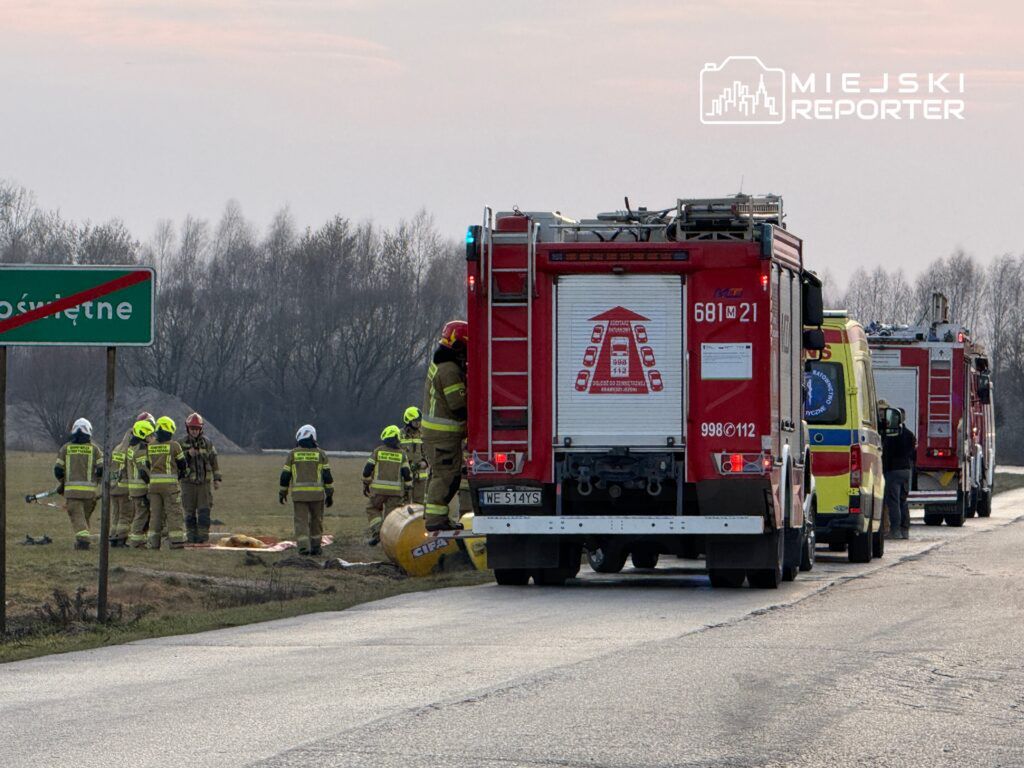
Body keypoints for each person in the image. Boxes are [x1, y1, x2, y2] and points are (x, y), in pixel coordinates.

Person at [421, 320, 469, 532]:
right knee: (446, 476)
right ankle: (436, 520)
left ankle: (434, 517)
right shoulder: (449, 370)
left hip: (437, 436)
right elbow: (458, 404)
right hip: (444, 437)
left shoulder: (440, 363)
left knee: (440, 474)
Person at [279, 424, 334, 556]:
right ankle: (316, 547)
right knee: (317, 521)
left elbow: (285, 475)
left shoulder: (293, 454)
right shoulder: (321, 454)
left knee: (301, 521)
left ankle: (304, 547)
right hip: (317, 496)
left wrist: (283, 492)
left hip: (299, 496)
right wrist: (330, 493)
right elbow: (327, 476)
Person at [53, 418, 103, 550]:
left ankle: (84, 541)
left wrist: (63, 483)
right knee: (84, 520)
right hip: (90, 494)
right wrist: (96, 482)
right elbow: (102, 469)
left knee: (78, 519)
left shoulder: (65, 449)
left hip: (72, 493)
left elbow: (58, 470)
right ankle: (84, 540)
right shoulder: (95, 449)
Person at [141, 416, 187, 549]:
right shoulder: (174, 445)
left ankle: (153, 543)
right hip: (170, 486)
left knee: (155, 515)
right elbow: (182, 464)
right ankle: (177, 542)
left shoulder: (150, 446)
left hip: (154, 486)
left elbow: (147, 465)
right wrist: (181, 474)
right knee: (173, 512)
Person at [362, 425, 413, 546]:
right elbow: (406, 474)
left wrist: (366, 483)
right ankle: (390, 541)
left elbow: (367, 470)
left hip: (378, 491)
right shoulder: (402, 454)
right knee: (391, 517)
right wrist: (407, 488)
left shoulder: (378, 451)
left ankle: (378, 531)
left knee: (372, 508)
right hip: (395, 493)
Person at [180, 412, 223, 543]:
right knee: (189, 512)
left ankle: (203, 537)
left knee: (204, 512)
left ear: (201, 429)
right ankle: (191, 537)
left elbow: (214, 461)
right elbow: (176, 463)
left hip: (204, 483)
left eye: (197, 429)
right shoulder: (181, 444)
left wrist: (217, 479)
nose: (194, 431)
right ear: (188, 429)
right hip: (188, 483)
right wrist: (187, 454)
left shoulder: (208, 443)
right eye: (192, 428)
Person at [883, 409, 917, 539]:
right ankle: (905, 529)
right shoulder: (909, 434)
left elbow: (887, 452)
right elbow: (913, 453)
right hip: (906, 470)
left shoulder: (892, 435)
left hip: (893, 470)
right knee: (903, 500)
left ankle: (895, 530)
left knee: (893, 501)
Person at [126, 418, 156, 548]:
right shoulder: (141, 450)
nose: (152, 438)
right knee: (141, 515)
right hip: (141, 488)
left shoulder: (131, 447)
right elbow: (144, 471)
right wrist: (150, 483)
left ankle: (139, 539)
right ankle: (136, 541)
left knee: (141, 513)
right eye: (150, 435)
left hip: (134, 488)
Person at [108, 425, 135, 547]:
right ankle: (121, 539)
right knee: (125, 516)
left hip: (113, 488)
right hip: (125, 489)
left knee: (115, 515)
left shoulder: (117, 449)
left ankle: (113, 536)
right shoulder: (130, 450)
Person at [399, 406, 428, 504]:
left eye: (419, 421)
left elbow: (428, 453)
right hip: (404, 476)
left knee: (419, 504)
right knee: (403, 503)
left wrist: (424, 463)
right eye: (415, 421)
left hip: (420, 476)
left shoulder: (423, 435)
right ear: (408, 420)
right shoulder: (399, 435)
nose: (418, 423)